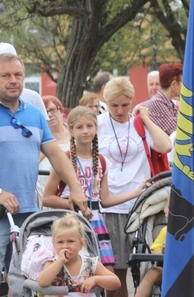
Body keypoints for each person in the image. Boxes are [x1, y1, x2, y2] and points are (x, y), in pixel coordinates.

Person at [0, 53, 90, 295]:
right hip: (0, 213)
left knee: (23, 282)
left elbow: (56, 156)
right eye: (5, 75)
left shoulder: (34, 114)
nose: (13, 80)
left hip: (28, 215)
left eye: (18, 75)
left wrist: (77, 188)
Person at [43, 106, 146, 272]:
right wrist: (73, 204)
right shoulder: (63, 159)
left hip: (97, 222)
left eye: (89, 126)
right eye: (79, 127)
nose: (85, 131)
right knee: (76, 270)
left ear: (96, 128)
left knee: (108, 273)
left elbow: (105, 200)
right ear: (70, 130)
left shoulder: (102, 160)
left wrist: (136, 192)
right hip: (70, 221)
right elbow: (47, 198)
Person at [98, 77, 171, 297]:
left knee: (144, 266)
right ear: (106, 101)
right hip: (110, 206)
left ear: (132, 101)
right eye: (114, 105)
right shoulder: (98, 123)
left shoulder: (138, 123)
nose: (120, 110)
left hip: (140, 207)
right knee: (116, 272)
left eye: (125, 104)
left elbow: (165, 145)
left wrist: (146, 119)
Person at [37, 213, 120, 295]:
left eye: (70, 241)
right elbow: (42, 282)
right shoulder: (52, 263)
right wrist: (60, 261)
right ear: (54, 245)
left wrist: (95, 279)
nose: (65, 246)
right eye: (60, 242)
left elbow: (116, 282)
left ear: (81, 244)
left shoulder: (90, 263)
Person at [134, 200, 168, 297]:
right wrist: (163, 251)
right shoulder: (165, 231)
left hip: (189, 270)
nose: (165, 210)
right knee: (152, 272)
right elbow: (153, 251)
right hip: (166, 270)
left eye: (169, 207)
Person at [140, 63, 182, 136]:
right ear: (174, 84)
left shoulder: (168, 103)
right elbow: (178, 132)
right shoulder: (157, 103)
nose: (184, 86)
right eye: (182, 82)